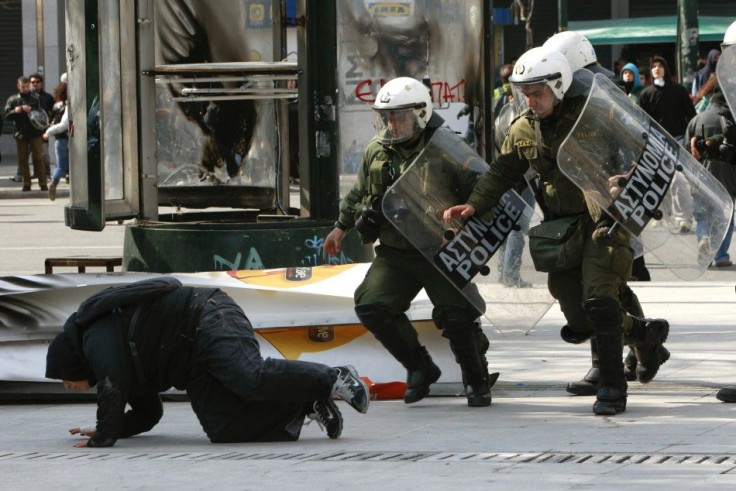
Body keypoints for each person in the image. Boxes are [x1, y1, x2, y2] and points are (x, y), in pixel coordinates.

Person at [443, 47, 670, 416]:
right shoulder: (520, 130)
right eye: (524, 93)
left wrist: (626, 179)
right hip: (562, 230)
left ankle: (612, 388)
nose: (530, 100)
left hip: (604, 221)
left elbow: (639, 149)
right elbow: (502, 172)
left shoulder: (595, 114)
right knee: (579, 317)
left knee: (600, 301)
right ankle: (645, 334)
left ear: (559, 86)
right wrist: (474, 204)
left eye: (537, 92)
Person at [323, 76, 493, 408]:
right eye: (386, 116)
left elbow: (483, 188)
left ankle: (476, 378)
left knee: (457, 316)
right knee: (371, 304)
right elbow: (359, 192)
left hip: (440, 250)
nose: (391, 123)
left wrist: (469, 223)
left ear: (420, 113)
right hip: (396, 251)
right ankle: (419, 367)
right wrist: (341, 226)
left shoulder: (447, 147)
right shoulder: (376, 150)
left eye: (399, 115)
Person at [45, 277, 370, 447]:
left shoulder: (94, 335)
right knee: (224, 428)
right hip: (193, 359)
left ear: (72, 362)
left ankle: (334, 376)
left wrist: (105, 433)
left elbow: (112, 380)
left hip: (205, 316)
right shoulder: (123, 360)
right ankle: (303, 405)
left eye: (64, 377)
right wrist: (112, 426)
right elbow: (148, 414)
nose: (67, 385)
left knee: (247, 376)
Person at [544, 31, 658, 395]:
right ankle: (645, 344)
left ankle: (613, 360)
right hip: (572, 213)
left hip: (608, 207)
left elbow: (640, 146)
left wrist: (626, 182)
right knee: (607, 289)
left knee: (604, 290)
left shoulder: (605, 100)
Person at [640, 55, 697, 233]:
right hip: (656, 143)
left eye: (660, 65)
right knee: (659, 180)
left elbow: (691, 115)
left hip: (678, 141)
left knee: (678, 180)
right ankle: (661, 215)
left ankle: (682, 219)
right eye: (654, 66)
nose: (657, 69)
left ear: (666, 68)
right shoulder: (646, 93)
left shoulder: (678, 91)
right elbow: (642, 120)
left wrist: (690, 138)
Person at [686, 91, 735, 269]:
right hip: (728, 174)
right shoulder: (731, 118)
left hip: (702, 173)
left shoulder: (697, 119)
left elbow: (688, 148)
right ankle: (720, 255)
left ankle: (704, 241)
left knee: (703, 214)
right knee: (725, 216)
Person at [3, 76, 48, 191]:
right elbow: (6, 115)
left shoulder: (36, 98)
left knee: (38, 158)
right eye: (23, 86)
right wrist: (16, 110)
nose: (25, 89)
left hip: (35, 132)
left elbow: (43, 113)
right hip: (21, 133)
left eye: (27, 86)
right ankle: (26, 183)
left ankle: (43, 183)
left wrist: (32, 110)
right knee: (22, 160)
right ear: (18, 86)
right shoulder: (13, 100)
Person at [43, 78, 69, 201]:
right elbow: (64, 124)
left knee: (60, 165)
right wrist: (49, 131)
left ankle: (54, 182)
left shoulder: (56, 106)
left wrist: (49, 131)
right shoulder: (70, 106)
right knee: (76, 166)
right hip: (70, 140)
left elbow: (52, 121)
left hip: (59, 140)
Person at [30, 73, 54, 180]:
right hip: (30, 130)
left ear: (42, 83)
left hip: (43, 130)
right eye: (32, 82)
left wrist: (49, 127)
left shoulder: (48, 97)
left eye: (37, 82)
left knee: (44, 154)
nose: (35, 84)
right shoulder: (28, 96)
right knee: (33, 154)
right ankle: (36, 173)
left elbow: (53, 113)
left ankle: (47, 174)